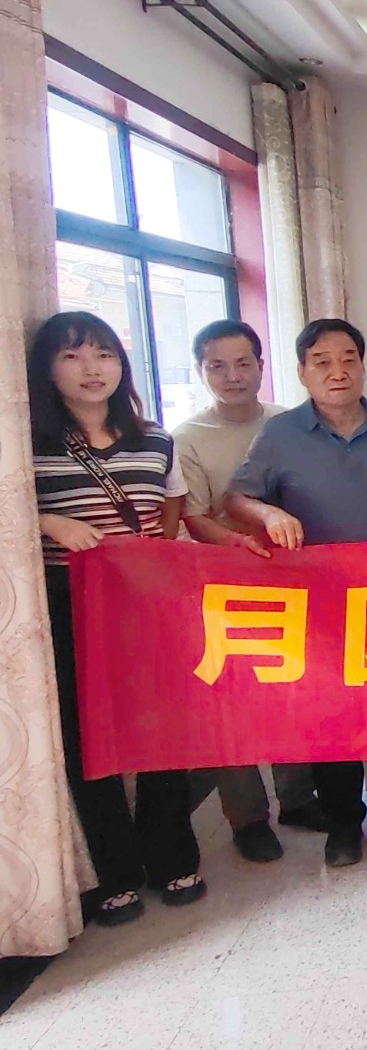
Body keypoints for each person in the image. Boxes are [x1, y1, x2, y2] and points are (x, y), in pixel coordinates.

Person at [226, 318, 367, 866]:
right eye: (321, 362)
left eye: (348, 359)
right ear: (302, 372)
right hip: (318, 602)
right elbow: (237, 498)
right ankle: (344, 825)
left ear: (363, 366)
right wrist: (270, 514)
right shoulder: (280, 434)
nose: (337, 371)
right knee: (331, 716)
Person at [30, 311, 206, 924]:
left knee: (162, 730)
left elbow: (171, 507)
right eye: (72, 356)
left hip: (144, 604)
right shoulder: (29, 444)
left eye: (104, 354)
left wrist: (157, 558)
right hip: (68, 603)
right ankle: (115, 873)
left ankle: (173, 856)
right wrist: (49, 522)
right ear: (48, 368)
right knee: (87, 739)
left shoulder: (155, 438)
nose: (91, 369)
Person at [174, 320, 326, 863]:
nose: (232, 375)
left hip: (291, 581)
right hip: (225, 585)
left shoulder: (289, 423)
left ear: (262, 366)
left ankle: (298, 799)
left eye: (243, 363)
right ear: (201, 371)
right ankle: (247, 819)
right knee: (232, 704)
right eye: (217, 365)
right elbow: (192, 516)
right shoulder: (186, 437)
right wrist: (238, 545)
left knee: (296, 692)